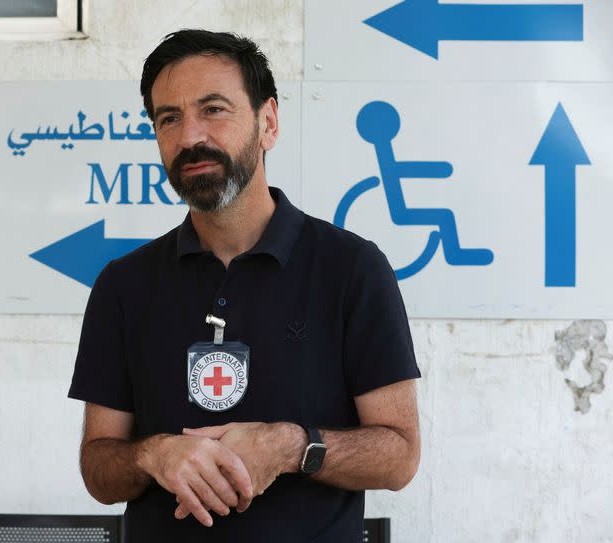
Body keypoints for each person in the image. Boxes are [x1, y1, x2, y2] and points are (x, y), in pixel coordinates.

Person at [68, 29, 421, 543]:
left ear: (268, 122)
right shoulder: (124, 284)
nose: (190, 137)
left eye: (213, 109)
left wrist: (291, 447)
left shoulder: (354, 270)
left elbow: (400, 456)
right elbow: (99, 470)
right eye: (169, 118)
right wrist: (152, 455)